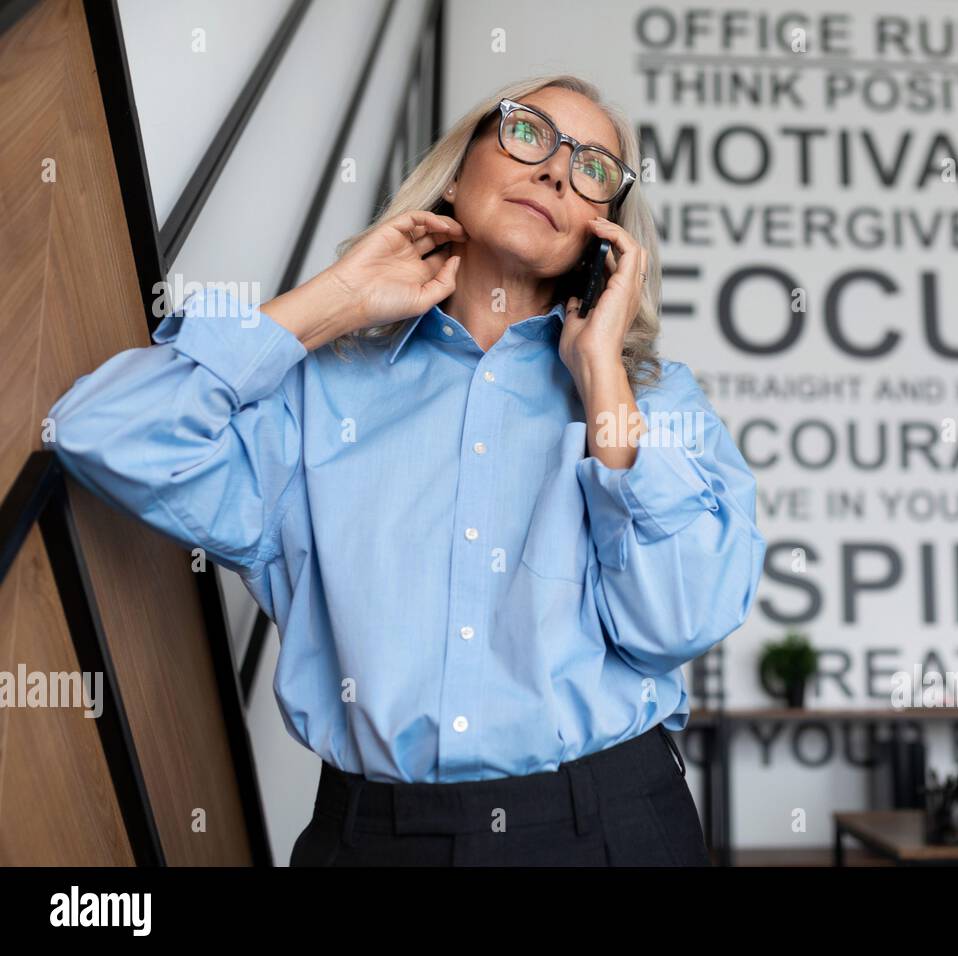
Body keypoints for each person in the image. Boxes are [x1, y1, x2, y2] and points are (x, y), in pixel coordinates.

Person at [43, 73, 766, 866]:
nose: (558, 170)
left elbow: (679, 622)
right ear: (457, 172)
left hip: (610, 827)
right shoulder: (316, 390)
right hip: (373, 839)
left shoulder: (654, 402)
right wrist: (338, 298)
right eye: (529, 134)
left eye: (593, 167)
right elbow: (97, 429)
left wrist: (600, 374)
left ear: (604, 230)